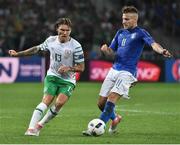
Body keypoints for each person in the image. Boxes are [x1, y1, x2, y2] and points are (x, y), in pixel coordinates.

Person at [83, 6, 172, 136]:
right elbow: (111, 52)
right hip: (114, 69)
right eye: (123, 19)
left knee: (112, 98)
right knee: (101, 103)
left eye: (126, 19)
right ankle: (116, 118)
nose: (123, 21)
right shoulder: (120, 33)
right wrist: (106, 50)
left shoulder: (141, 33)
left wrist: (162, 50)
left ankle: (95, 128)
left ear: (135, 19)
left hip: (128, 72)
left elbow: (154, 44)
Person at [9, 18, 85, 136]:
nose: (64, 33)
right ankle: (30, 129)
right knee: (46, 101)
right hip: (52, 76)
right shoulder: (51, 40)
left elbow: (81, 67)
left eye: (67, 30)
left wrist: (69, 68)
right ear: (57, 29)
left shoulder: (76, 46)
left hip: (68, 80)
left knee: (59, 103)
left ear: (70, 31)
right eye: (62, 30)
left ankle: (40, 125)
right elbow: (36, 49)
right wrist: (18, 54)